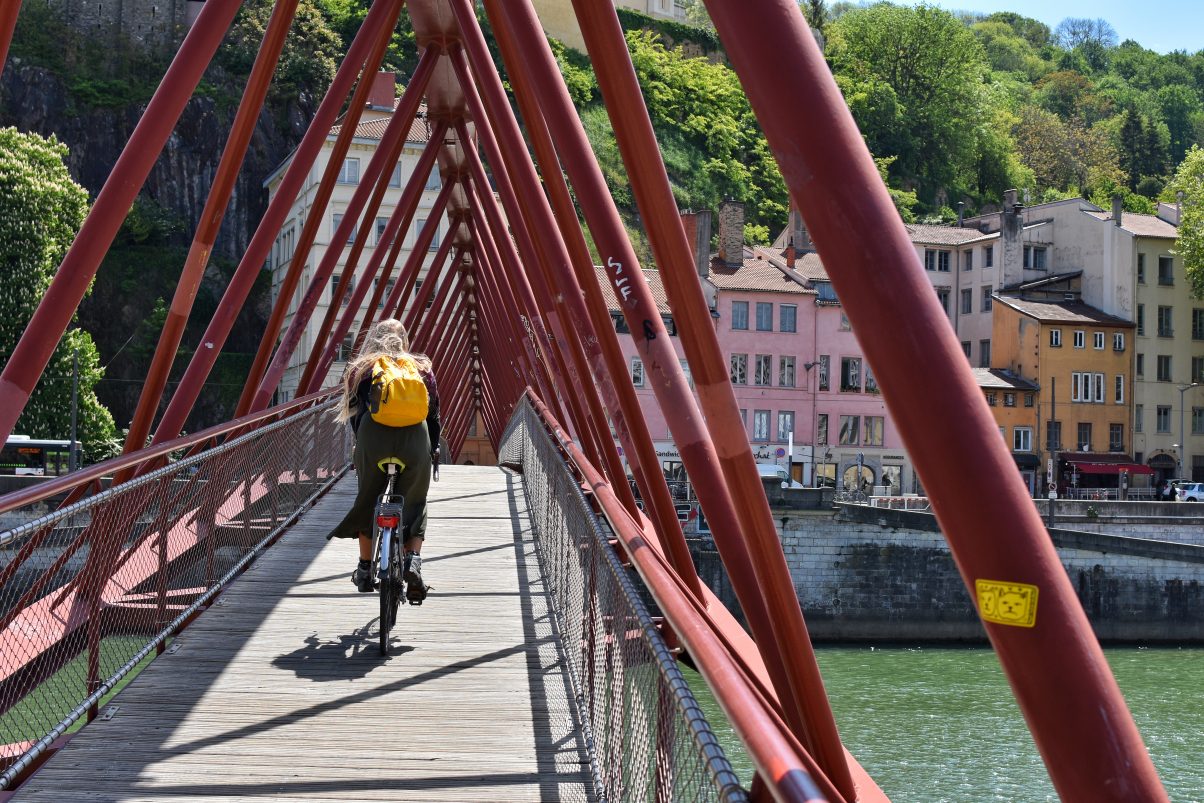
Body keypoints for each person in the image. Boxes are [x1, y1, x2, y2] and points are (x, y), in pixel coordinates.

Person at [327, 319, 440, 603]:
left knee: (368, 499)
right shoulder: (421, 369)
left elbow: (354, 415)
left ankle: (365, 568)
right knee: (416, 502)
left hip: (374, 440)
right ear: (405, 339)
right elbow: (433, 415)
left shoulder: (362, 369)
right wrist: (433, 449)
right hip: (415, 441)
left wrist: (361, 445)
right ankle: (412, 560)